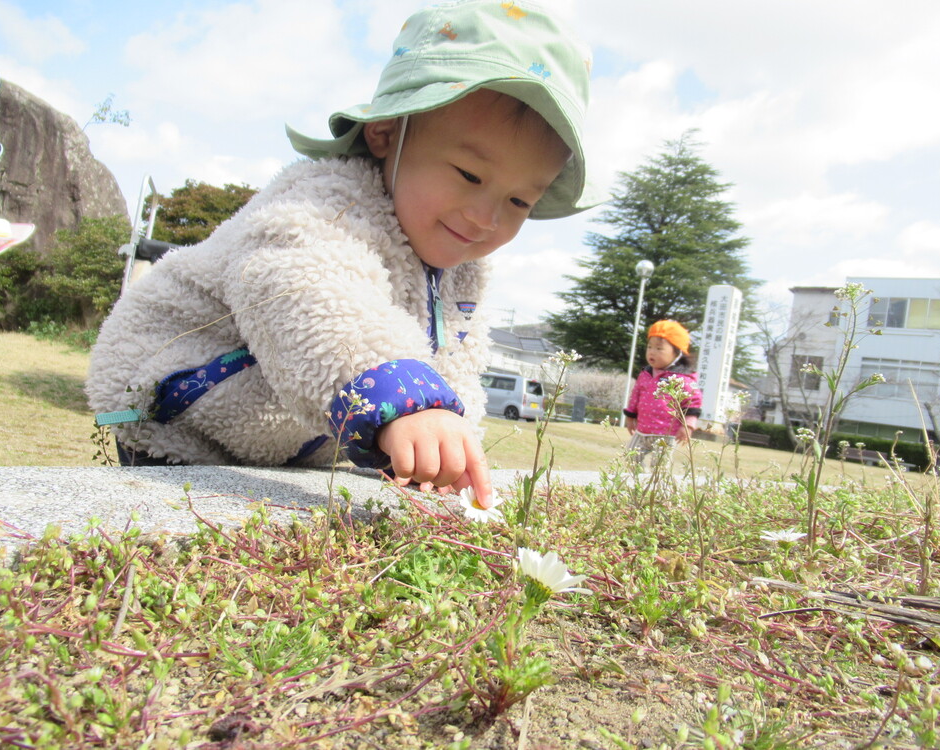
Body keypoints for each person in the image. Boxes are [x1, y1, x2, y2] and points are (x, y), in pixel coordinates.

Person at [87, 0, 596, 509]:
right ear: (385, 134)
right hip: (176, 406)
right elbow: (308, 292)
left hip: (279, 444)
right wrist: (408, 405)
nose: (487, 217)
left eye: (519, 201)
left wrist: (447, 443)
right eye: (469, 175)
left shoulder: (461, 269)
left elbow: (454, 362)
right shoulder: (322, 204)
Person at [622, 320, 703, 468]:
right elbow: (636, 396)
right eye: (649, 346)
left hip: (667, 434)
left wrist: (687, 426)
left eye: (659, 348)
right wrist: (630, 416)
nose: (652, 352)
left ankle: (657, 489)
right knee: (630, 457)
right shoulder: (646, 374)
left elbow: (693, 404)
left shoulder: (683, 379)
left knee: (659, 468)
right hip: (642, 431)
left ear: (677, 353)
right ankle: (636, 486)